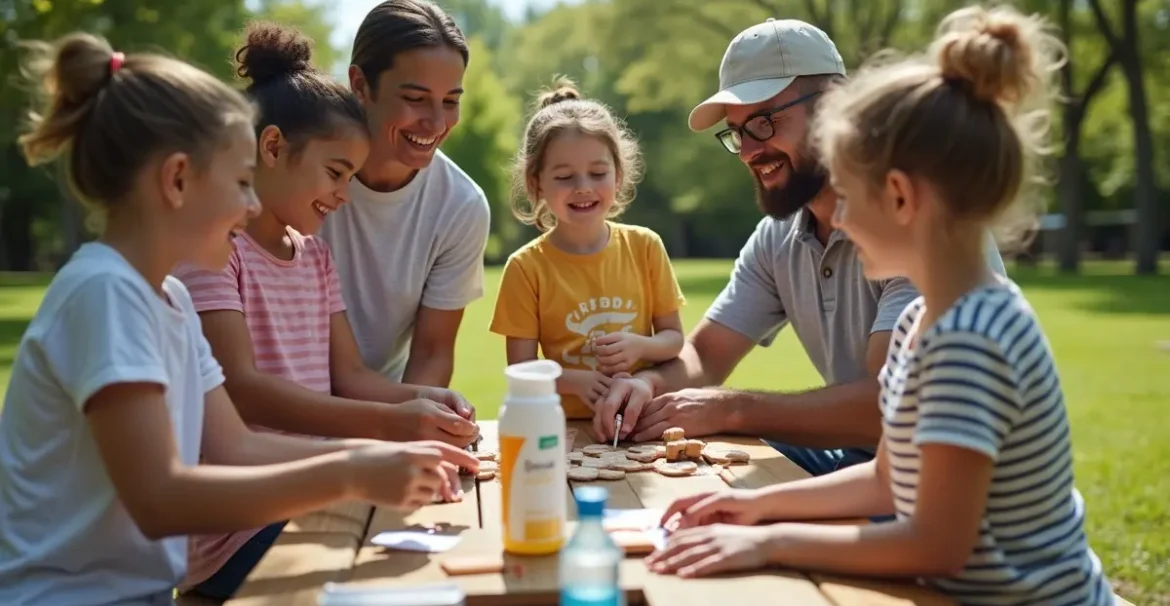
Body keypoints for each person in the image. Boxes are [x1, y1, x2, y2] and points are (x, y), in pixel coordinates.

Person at [646, 6, 1113, 605]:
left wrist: (769, 541)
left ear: (897, 197)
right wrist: (753, 506)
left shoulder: (970, 338)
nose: (837, 217)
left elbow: (935, 545)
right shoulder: (926, 320)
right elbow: (889, 479)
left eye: (848, 195)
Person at [0, 33, 478, 606]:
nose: (252, 207)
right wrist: (352, 472)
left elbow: (237, 448)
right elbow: (160, 499)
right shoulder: (105, 294)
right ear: (177, 179)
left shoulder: (171, 301)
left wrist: (378, 455)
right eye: (241, 183)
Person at [595, 18, 1007, 475]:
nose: (748, 151)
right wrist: (648, 386)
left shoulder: (910, 219)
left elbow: (886, 406)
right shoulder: (779, 235)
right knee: (714, 469)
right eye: (737, 132)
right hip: (869, 468)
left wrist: (731, 409)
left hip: (932, 483)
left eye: (764, 122)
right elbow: (707, 354)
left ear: (834, 103)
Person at [172, 23, 478, 601]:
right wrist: (391, 427)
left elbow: (352, 376)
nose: (343, 193)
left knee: (435, 561)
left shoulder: (314, 256)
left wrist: (425, 401)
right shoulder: (216, 252)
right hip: (241, 526)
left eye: (349, 177)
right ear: (271, 148)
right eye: (336, 174)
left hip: (314, 493)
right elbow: (242, 388)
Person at [489, 79, 686, 439]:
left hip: (642, 425)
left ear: (619, 175)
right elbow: (521, 368)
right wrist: (573, 381)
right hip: (561, 431)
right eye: (564, 176)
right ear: (536, 184)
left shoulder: (645, 246)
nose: (583, 187)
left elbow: (673, 339)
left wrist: (639, 346)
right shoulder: (525, 268)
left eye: (598, 173)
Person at [319, 0, 490, 390]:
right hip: (288, 400)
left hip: (385, 401)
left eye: (451, 101)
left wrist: (408, 417)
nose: (436, 122)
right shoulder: (301, 174)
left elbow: (432, 353)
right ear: (360, 85)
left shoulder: (461, 206)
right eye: (415, 98)